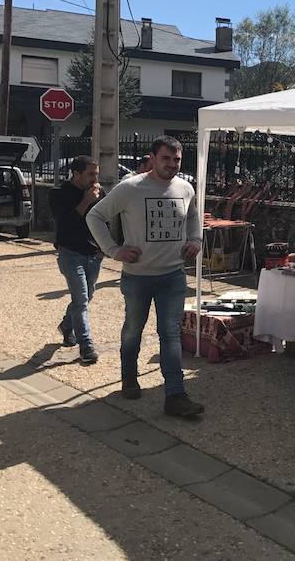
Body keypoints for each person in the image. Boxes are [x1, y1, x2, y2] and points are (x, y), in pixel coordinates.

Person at [86, 136, 204, 418]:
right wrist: (113, 250)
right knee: (133, 330)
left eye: (177, 160)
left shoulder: (185, 188)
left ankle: (175, 395)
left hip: (173, 275)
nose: (172, 165)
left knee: (170, 334)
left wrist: (196, 240)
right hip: (138, 277)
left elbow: (193, 216)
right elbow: (95, 216)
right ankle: (129, 376)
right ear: (152, 158)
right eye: (166, 158)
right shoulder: (130, 188)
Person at [48, 156, 103, 364]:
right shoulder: (59, 194)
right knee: (80, 299)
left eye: (96, 174)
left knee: (87, 296)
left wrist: (103, 249)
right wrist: (87, 201)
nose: (94, 179)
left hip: (93, 255)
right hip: (70, 253)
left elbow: (105, 221)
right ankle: (86, 346)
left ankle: (66, 325)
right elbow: (66, 223)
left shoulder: (99, 193)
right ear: (76, 174)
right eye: (90, 174)